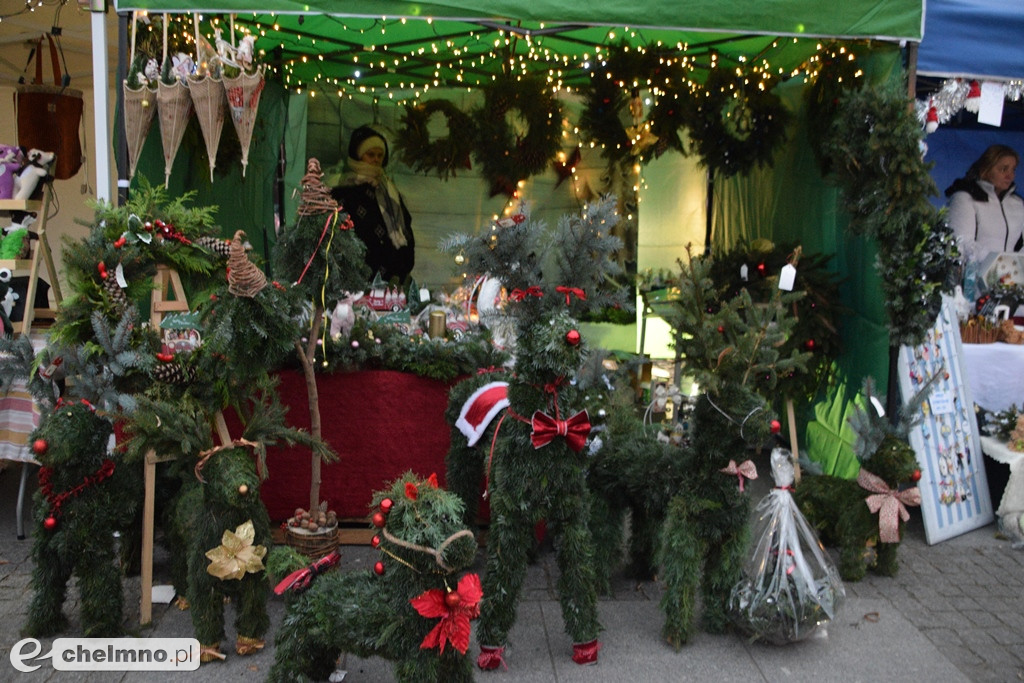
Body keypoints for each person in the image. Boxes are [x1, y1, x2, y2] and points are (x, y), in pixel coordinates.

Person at [330, 126, 415, 283]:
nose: (376, 159)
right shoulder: (342, 187)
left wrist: (402, 265)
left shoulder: (389, 190)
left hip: (387, 274)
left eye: (380, 155)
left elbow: (405, 227)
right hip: (353, 274)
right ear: (359, 156)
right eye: (370, 155)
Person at [945, 144, 1024, 262]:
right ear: (986, 169)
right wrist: (997, 263)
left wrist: (1015, 266)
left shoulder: (1018, 203)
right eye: (1004, 169)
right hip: (972, 277)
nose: (1010, 175)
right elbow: (959, 244)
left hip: (1009, 277)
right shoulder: (964, 198)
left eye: (1013, 169)